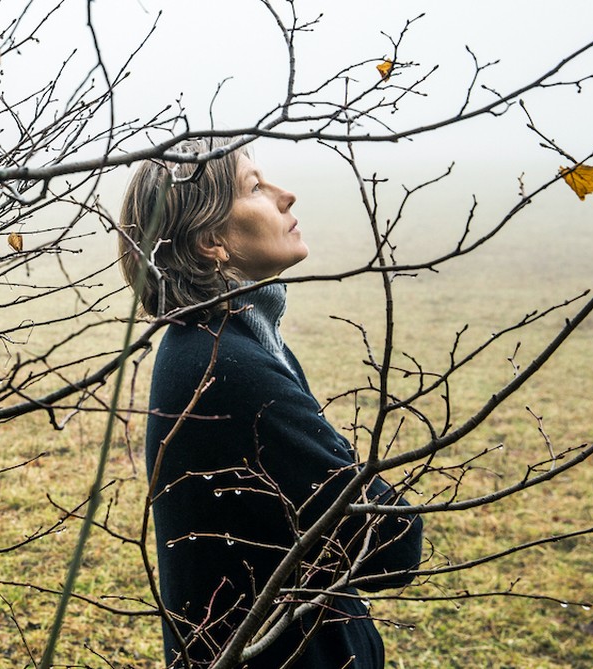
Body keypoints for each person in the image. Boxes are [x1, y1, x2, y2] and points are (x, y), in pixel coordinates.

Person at [117, 138, 423, 668]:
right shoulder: (226, 367)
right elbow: (392, 544)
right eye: (255, 187)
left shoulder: (223, 340)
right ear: (212, 239)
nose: (287, 196)